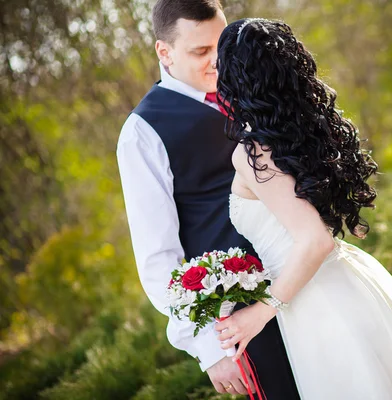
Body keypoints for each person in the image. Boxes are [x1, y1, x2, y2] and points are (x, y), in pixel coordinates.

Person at [213, 18, 392, 399]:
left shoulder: (254, 152)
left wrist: (261, 310)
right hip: (345, 280)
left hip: (319, 304)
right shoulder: (299, 131)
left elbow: (314, 241)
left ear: (236, 78)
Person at [116, 4, 300, 399]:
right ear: (164, 52)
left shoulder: (253, 87)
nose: (218, 61)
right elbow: (157, 255)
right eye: (200, 51)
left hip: (305, 275)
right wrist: (206, 347)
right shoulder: (142, 132)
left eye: (221, 45)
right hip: (241, 316)